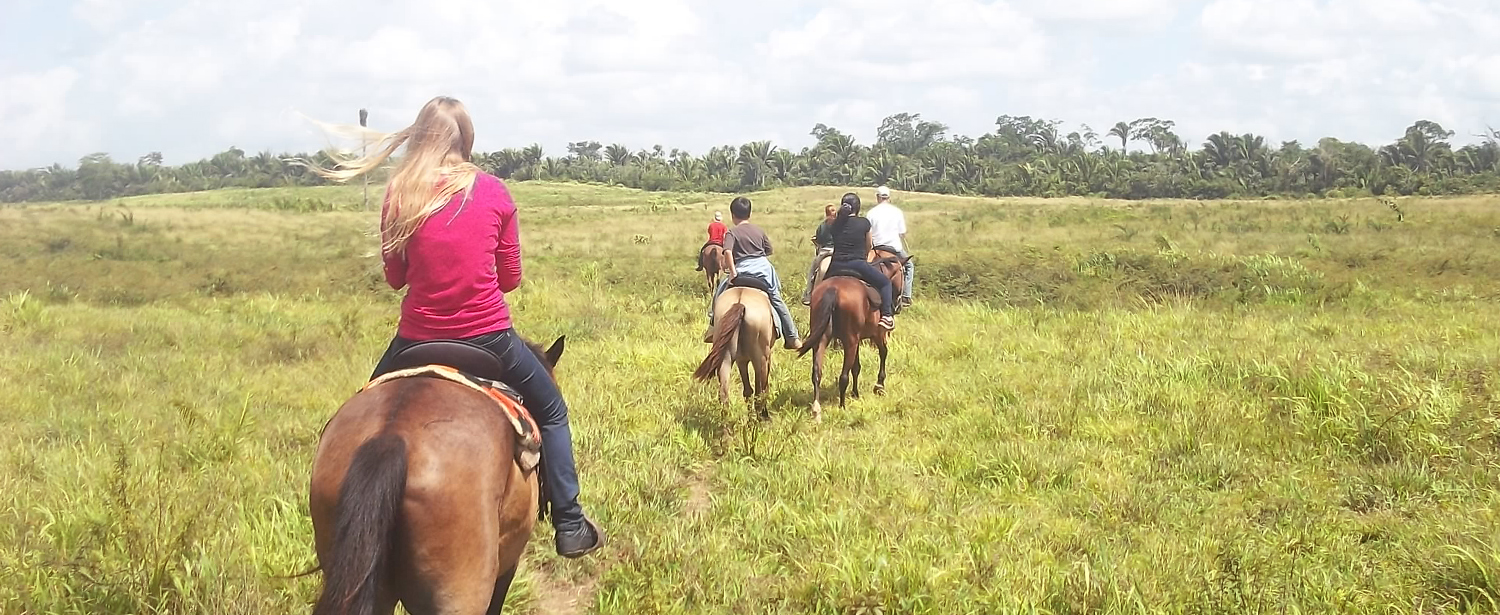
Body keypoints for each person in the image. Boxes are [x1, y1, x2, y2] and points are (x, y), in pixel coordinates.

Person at [309, 96, 605, 559]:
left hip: (414, 341)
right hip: (489, 339)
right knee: (552, 412)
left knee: (360, 417)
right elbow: (510, 279)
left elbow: (394, 278)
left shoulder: (400, 193)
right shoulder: (494, 192)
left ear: (422, 137)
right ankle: (568, 522)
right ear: (467, 140)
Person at [705, 196, 801, 350]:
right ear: (749, 214)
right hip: (762, 269)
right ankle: (792, 337)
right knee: (777, 299)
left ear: (732, 215)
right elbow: (769, 250)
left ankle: (712, 326)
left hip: (741, 269)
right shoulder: (759, 230)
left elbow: (728, 252)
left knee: (719, 293)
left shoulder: (732, 233)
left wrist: (733, 273)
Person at [826, 192, 895, 330]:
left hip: (835, 266)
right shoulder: (864, 223)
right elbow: (868, 246)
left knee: (819, 289)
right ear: (857, 207)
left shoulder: (834, 224)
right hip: (857, 265)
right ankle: (887, 316)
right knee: (885, 283)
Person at [867, 185, 913, 308]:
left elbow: (869, 234)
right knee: (909, 266)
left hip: (876, 249)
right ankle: (906, 296)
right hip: (894, 248)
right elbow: (902, 232)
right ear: (889, 197)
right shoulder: (897, 212)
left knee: (864, 268)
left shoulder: (871, 213)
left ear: (878, 197)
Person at [801, 203, 837, 306]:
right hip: (837, 250)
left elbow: (819, 241)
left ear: (826, 213)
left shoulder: (822, 226)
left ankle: (808, 295)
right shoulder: (840, 224)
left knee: (812, 271)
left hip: (825, 251)